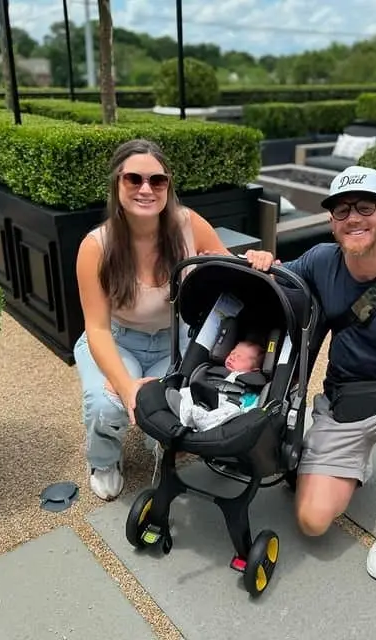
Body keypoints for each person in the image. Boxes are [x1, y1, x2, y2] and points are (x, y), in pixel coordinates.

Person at [245, 165, 376, 582]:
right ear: (332, 222)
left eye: (365, 207)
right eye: (341, 210)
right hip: (343, 398)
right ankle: (355, 463)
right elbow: (279, 282)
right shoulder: (320, 260)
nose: (353, 217)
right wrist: (263, 260)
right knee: (311, 521)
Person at [73, 138, 234, 501]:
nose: (146, 189)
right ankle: (103, 460)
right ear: (117, 184)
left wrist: (255, 260)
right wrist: (126, 386)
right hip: (118, 340)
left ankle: (161, 444)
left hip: (174, 340)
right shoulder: (96, 247)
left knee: (173, 404)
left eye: (157, 180)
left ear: (168, 186)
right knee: (106, 402)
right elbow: (96, 328)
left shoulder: (188, 225)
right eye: (134, 179)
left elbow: (227, 268)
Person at [167, 340, 266, 431]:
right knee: (188, 392)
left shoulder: (251, 385)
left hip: (228, 407)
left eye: (239, 357)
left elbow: (252, 407)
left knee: (233, 411)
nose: (232, 357)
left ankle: (196, 419)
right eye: (232, 353)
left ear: (254, 370)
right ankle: (186, 414)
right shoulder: (216, 372)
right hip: (205, 399)